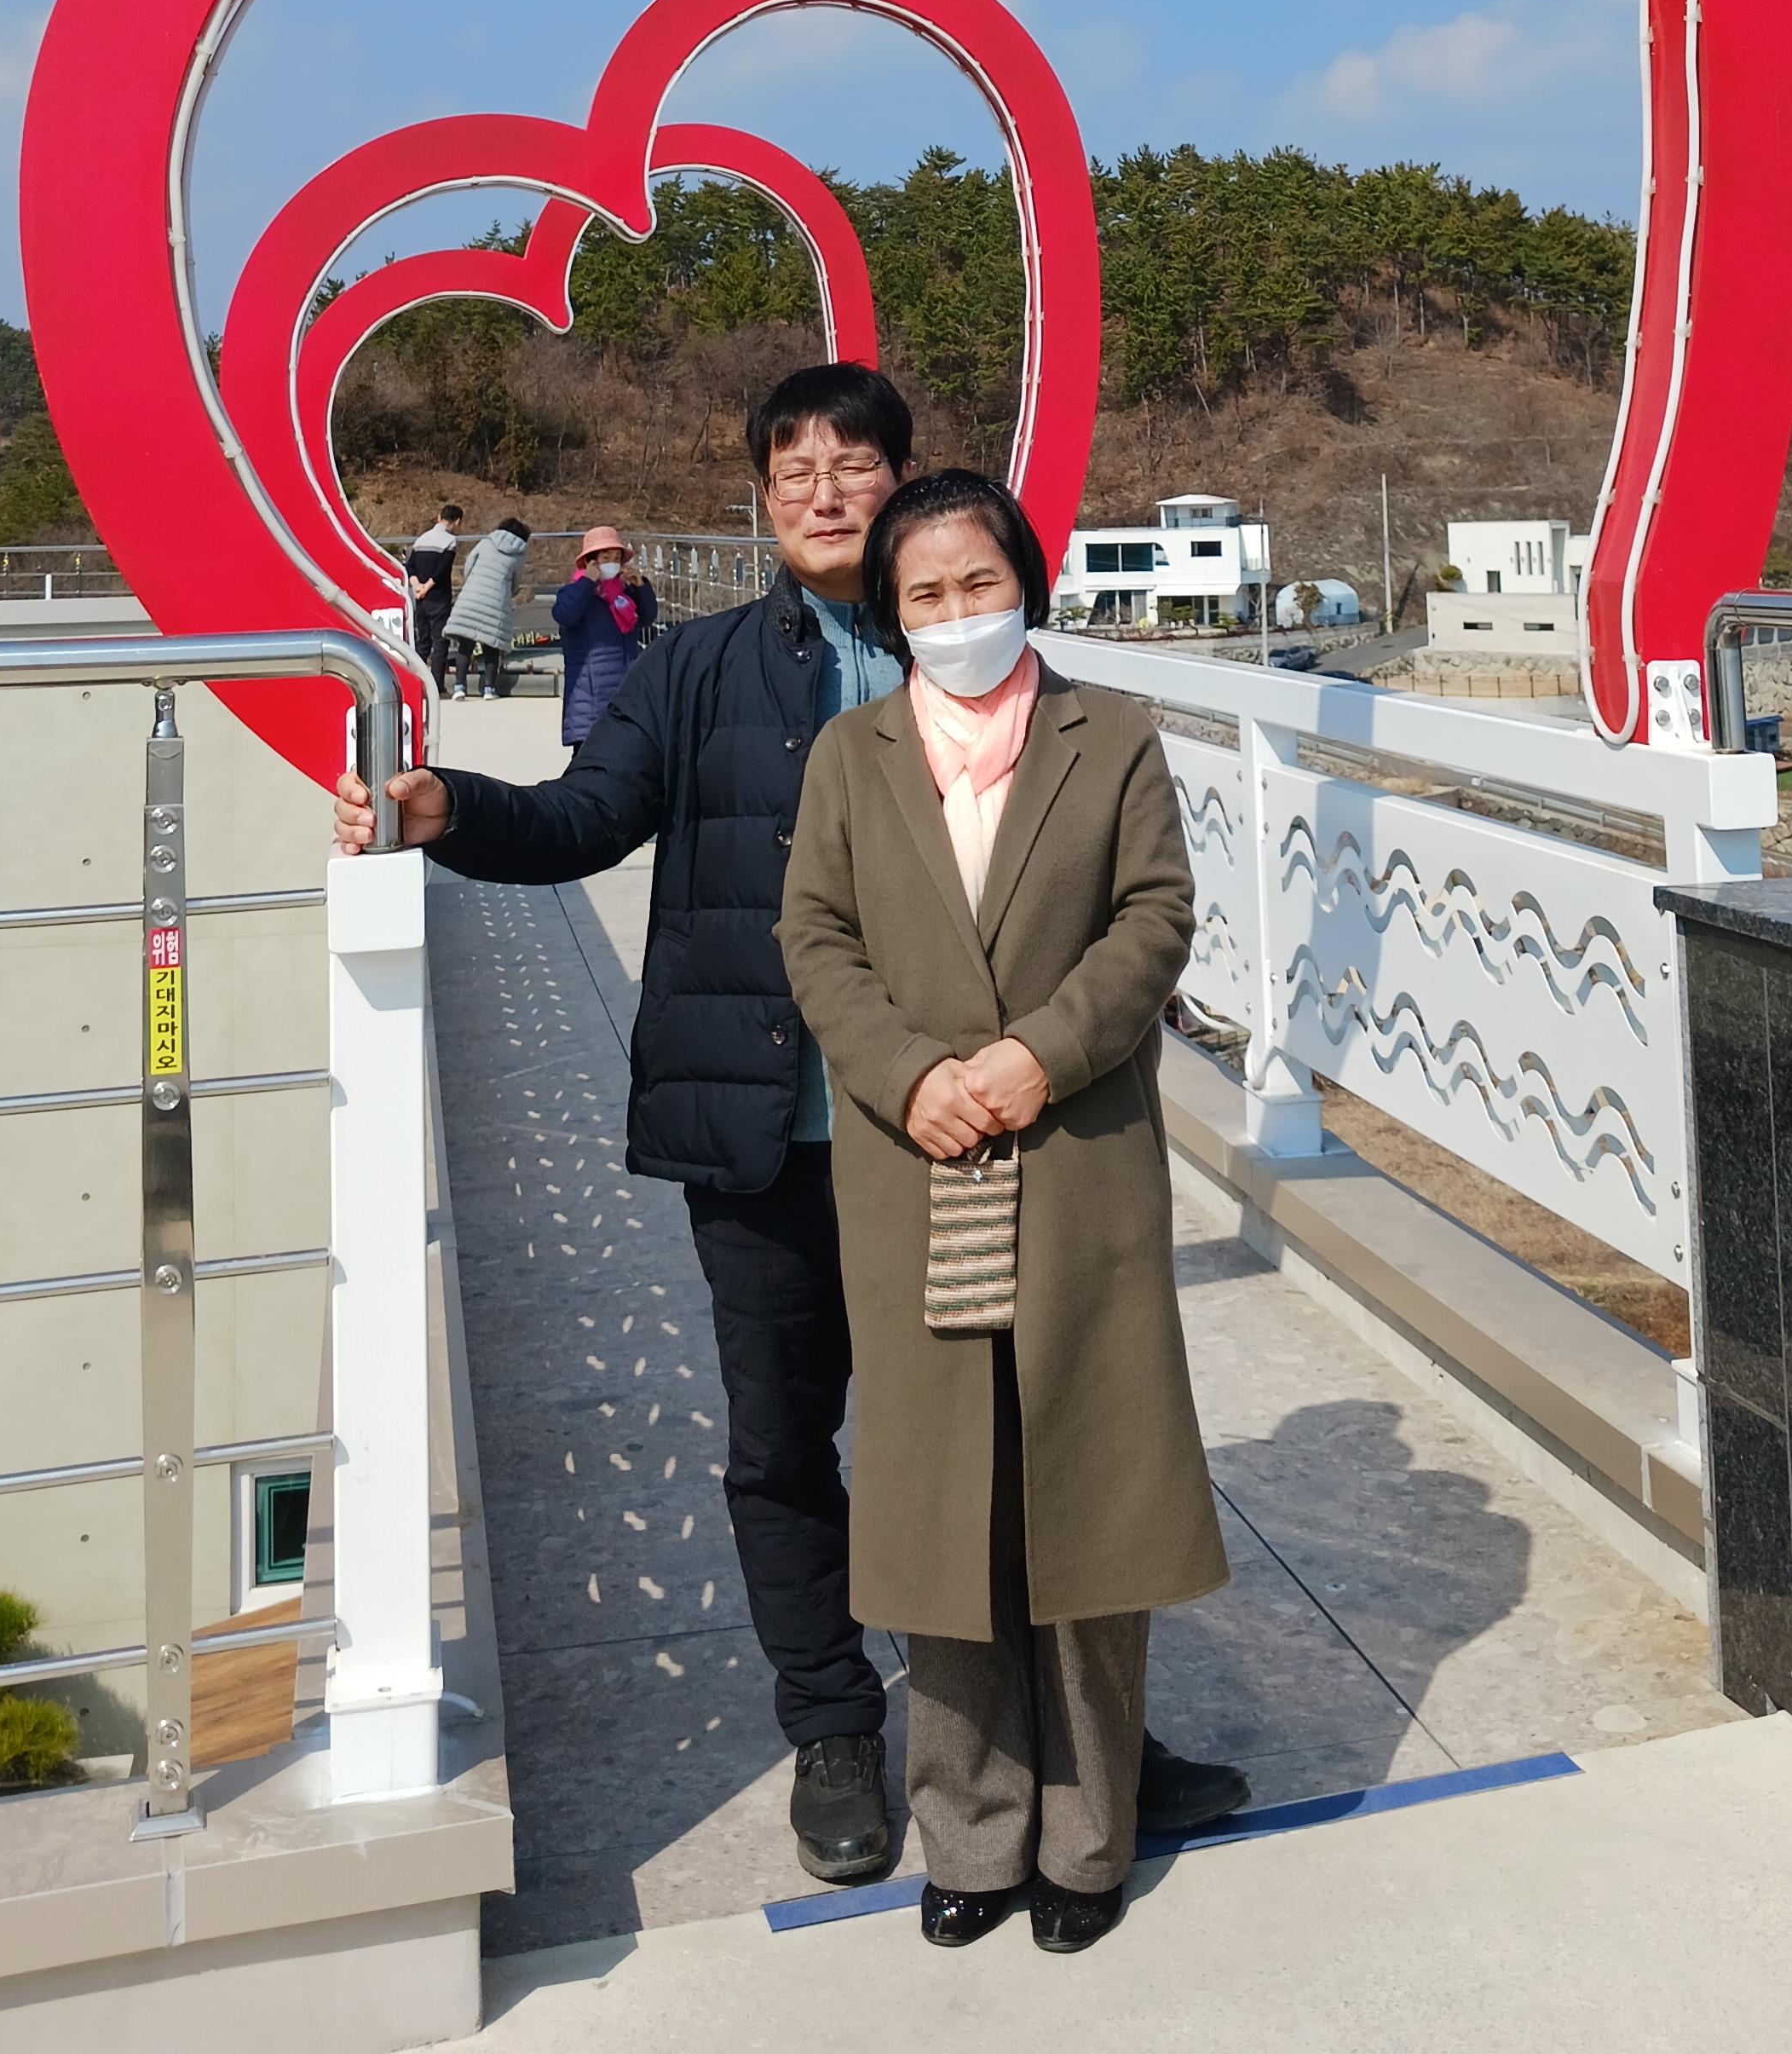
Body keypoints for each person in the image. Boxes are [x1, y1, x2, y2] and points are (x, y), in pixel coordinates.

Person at [330, 362, 1245, 1889]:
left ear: (906, 481)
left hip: (963, 1133)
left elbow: (1112, 887)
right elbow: (586, 816)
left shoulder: (977, 656)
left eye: (853, 463)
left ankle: (1085, 1750)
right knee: (784, 1446)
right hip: (769, 1127)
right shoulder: (695, 668)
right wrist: (450, 811)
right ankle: (831, 1723)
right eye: (792, 470)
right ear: (762, 501)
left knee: (1020, 1434)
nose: (824, 491)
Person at [777, 468, 1228, 1954]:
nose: (956, 613)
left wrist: (1045, 1052)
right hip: (918, 1162)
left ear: (1025, 583)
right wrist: (910, 1075)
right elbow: (815, 936)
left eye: (979, 582)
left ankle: (1091, 1841)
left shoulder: (1114, 734)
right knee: (943, 1509)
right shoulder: (851, 755)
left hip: (1075, 1152)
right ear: (890, 613)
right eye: (925, 593)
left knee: (1087, 1497)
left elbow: (1155, 915)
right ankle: (969, 1833)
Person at [553, 525, 655, 755]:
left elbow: (648, 616)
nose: (612, 563)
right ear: (590, 561)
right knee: (588, 762)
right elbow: (565, 614)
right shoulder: (575, 592)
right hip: (589, 698)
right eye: (605, 558)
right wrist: (587, 583)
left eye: (617, 558)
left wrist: (641, 587)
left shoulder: (623, 595)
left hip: (623, 692)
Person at [439, 514, 530, 699]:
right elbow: (516, 581)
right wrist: (508, 593)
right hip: (496, 602)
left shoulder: (487, 542)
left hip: (472, 596)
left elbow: (469, 563)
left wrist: (472, 581)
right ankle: (489, 689)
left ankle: (459, 687)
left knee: (466, 645)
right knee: (492, 646)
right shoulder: (518, 554)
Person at [406, 505, 464, 679]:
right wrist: (427, 586)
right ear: (457, 522)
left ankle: (417, 681)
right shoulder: (450, 541)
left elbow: (410, 566)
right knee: (440, 641)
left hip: (420, 598)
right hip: (439, 598)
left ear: (439, 517)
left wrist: (417, 586)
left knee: (423, 641)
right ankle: (437, 684)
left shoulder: (421, 539)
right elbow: (442, 570)